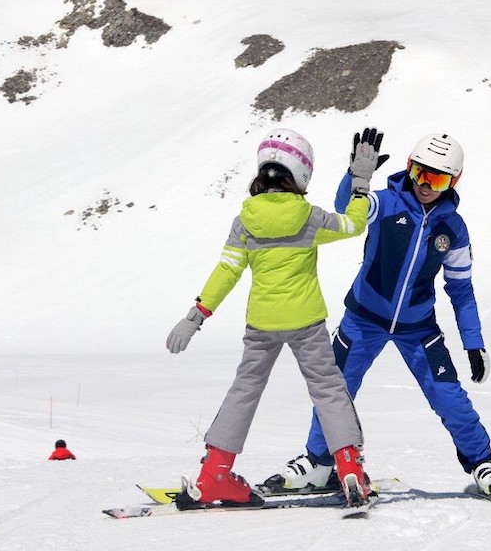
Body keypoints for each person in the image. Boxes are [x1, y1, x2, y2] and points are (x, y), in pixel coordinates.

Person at [262, 133, 491, 497]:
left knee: (448, 395)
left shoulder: (453, 229)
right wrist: (355, 176)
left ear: (453, 182)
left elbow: (461, 290)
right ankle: (318, 462)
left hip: (418, 328)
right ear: (409, 168)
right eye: (420, 173)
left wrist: (474, 343)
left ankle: (482, 461)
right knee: (336, 390)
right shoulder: (385, 202)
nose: (425, 185)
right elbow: (347, 208)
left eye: (437, 179)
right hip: (363, 319)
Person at [165, 127, 385, 509]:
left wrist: (195, 315)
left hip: (262, 324)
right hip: (307, 321)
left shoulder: (244, 221)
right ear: (301, 174)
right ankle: (349, 468)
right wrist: (361, 183)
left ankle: (215, 474)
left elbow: (227, 271)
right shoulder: (310, 217)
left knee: (244, 390)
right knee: (329, 389)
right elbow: (354, 224)